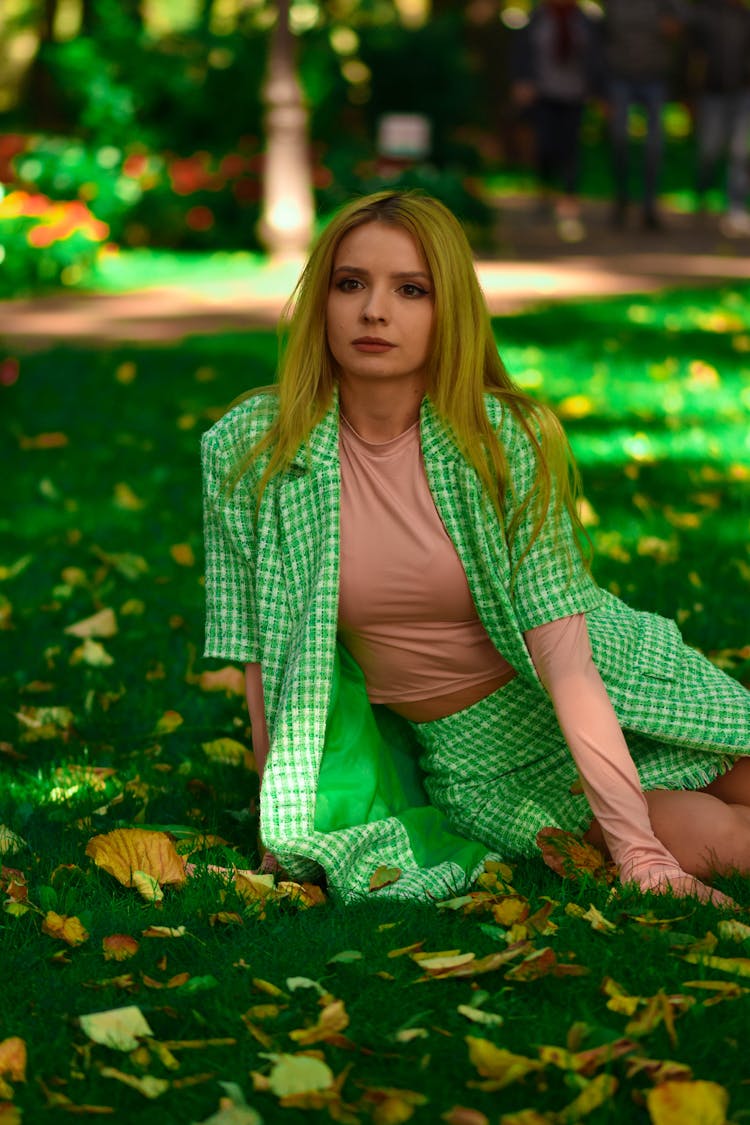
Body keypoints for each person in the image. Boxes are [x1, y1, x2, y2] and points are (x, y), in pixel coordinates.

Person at [202, 191, 750, 906]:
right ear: (322, 300)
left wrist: (637, 852)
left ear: (448, 309)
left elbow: (567, 660)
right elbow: (262, 655)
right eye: (350, 283)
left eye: (410, 289)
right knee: (726, 843)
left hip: (611, 683)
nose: (374, 310)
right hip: (485, 760)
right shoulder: (252, 450)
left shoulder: (496, 442)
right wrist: (284, 828)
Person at [511, 0, 601, 242]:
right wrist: (523, 81)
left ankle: (569, 204)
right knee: (545, 147)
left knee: (570, 151)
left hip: (575, 95)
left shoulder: (586, 20)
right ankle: (544, 195)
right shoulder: (536, 18)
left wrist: (598, 90)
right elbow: (523, 51)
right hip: (544, 94)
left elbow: (597, 56)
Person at [602, 0, 685, 230]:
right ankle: (621, 199)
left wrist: (671, 26)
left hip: (654, 79)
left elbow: (680, 29)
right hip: (619, 78)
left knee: (654, 146)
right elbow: (601, 39)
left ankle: (649, 206)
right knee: (619, 139)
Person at [688, 0, 750, 238]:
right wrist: (690, 93)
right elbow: (691, 55)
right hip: (711, 94)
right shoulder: (703, 15)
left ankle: (735, 208)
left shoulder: (745, 17)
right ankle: (702, 194)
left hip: (743, 94)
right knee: (708, 151)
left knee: (739, 152)